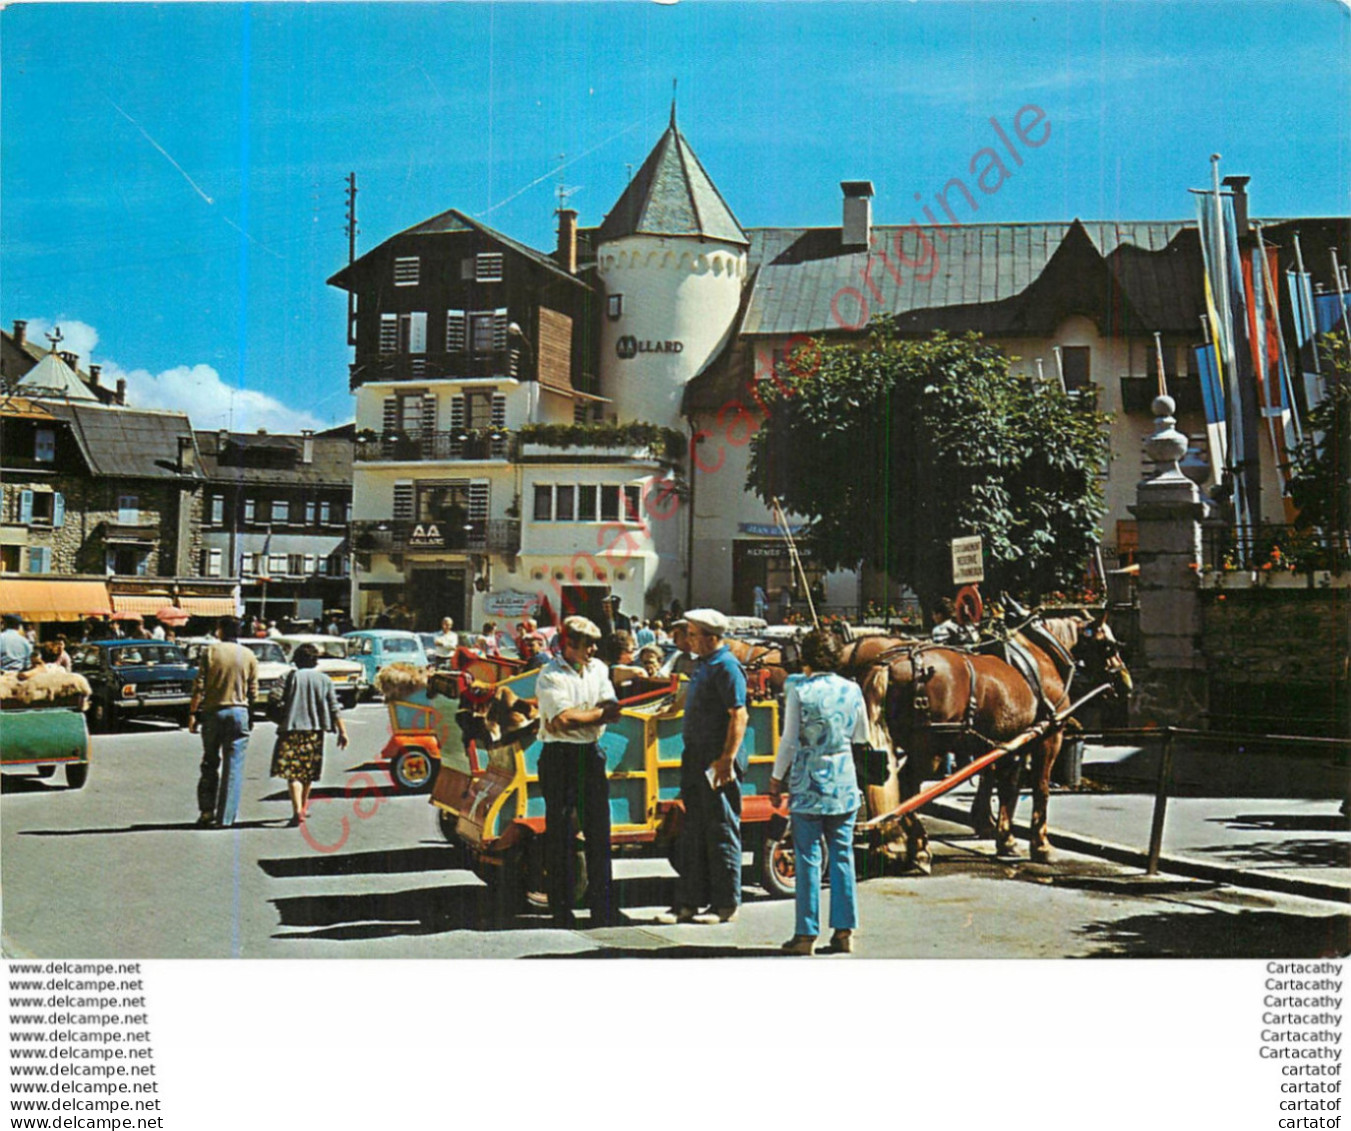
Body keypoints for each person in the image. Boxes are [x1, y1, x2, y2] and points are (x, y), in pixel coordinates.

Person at [769, 629, 869, 955]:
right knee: (842, 857)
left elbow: (789, 739)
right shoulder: (853, 689)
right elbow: (861, 737)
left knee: (808, 858)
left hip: (808, 780)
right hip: (843, 779)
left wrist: (776, 777)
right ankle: (844, 932)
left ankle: (805, 935)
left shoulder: (799, 689)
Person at [658, 608, 747, 925]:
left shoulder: (726, 667)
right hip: (695, 756)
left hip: (714, 758)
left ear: (710, 638)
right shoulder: (704, 665)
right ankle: (688, 903)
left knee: (721, 829)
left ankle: (725, 905)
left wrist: (726, 760)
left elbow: (739, 714)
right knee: (693, 831)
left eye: (693, 634)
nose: (688, 639)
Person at [533, 616, 622, 927]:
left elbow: (611, 706)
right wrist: (601, 714)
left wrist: (592, 715)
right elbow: (563, 721)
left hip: (590, 754)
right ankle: (561, 909)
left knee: (600, 833)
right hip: (559, 757)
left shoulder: (598, 669)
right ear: (568, 645)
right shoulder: (550, 675)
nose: (594, 650)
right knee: (561, 835)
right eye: (588, 645)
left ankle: (604, 908)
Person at [189, 616, 259, 829]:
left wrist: (193, 713)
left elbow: (199, 686)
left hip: (213, 711)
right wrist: (251, 714)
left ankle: (207, 811)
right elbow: (253, 690)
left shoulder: (210, 652)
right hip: (239, 712)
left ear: (220, 630)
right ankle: (226, 817)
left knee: (210, 762)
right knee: (234, 765)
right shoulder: (248, 655)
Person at [270, 643, 349, 827]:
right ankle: (303, 807)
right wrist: (342, 732)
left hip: (291, 730)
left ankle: (297, 809)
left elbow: (274, 698)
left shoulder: (287, 677)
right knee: (308, 773)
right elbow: (334, 707)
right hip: (315, 731)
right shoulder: (324, 680)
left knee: (293, 773)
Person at [598, 595, 632, 665]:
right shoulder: (599, 620)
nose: (608, 608)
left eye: (614, 605)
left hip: (620, 653)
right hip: (604, 653)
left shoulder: (624, 619)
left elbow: (628, 635)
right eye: (605, 606)